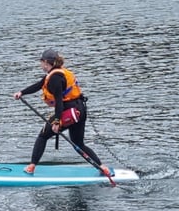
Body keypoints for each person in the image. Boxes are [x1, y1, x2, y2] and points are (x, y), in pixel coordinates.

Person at [13, 48, 111, 176]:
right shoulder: (58, 73)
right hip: (80, 110)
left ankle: (31, 166)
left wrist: (57, 121)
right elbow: (39, 85)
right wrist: (22, 92)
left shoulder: (55, 79)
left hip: (68, 112)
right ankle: (102, 167)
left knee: (43, 136)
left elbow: (59, 102)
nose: (40, 64)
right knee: (78, 143)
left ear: (47, 62)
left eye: (41, 61)